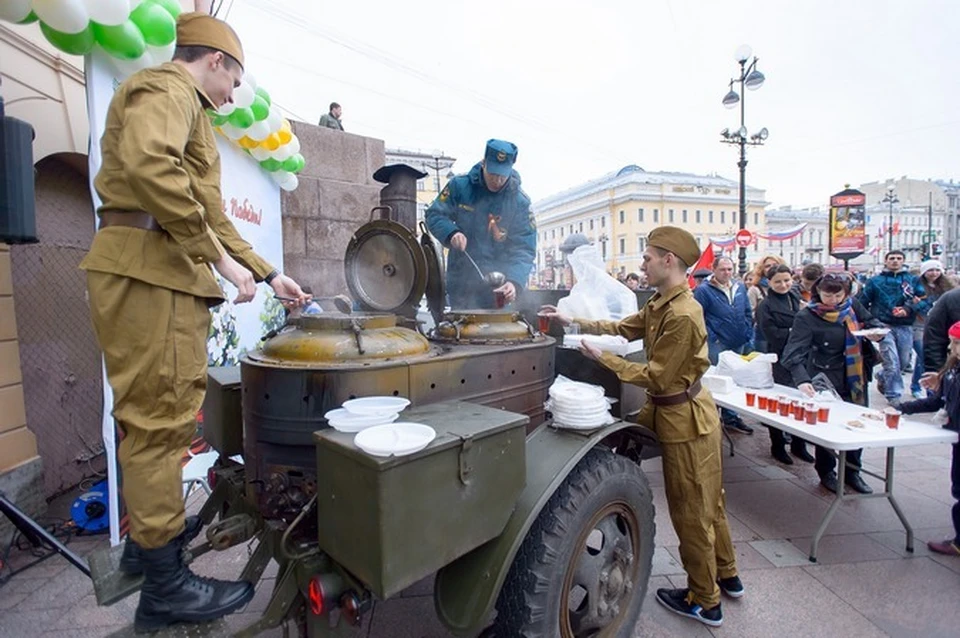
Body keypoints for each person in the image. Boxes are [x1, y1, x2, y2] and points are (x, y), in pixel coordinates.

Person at [79, 13, 309, 633]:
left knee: (164, 420)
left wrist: (264, 273)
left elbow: (210, 213)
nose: (234, 95)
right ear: (214, 61)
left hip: (163, 275)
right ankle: (165, 590)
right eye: (233, 78)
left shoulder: (189, 109)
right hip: (150, 273)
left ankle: (155, 557)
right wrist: (218, 263)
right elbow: (154, 170)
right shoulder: (165, 90)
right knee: (157, 426)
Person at [540, 227, 742, 628]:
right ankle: (728, 574)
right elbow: (625, 328)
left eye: (648, 257)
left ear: (669, 260)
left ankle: (705, 600)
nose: (642, 263)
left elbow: (659, 376)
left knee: (693, 508)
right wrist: (571, 320)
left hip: (684, 416)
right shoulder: (662, 302)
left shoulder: (683, 313)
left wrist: (603, 359)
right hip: (671, 408)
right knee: (708, 501)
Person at [781, 273, 884, 494]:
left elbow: (872, 322)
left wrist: (876, 334)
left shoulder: (852, 305)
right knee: (829, 426)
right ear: (819, 292)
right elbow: (792, 353)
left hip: (856, 375)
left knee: (857, 425)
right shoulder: (807, 316)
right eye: (828, 295)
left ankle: (853, 472)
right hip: (825, 376)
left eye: (838, 294)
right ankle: (826, 471)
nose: (833, 300)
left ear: (846, 293)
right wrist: (802, 380)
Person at [425, 139, 536, 309]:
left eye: (502, 175)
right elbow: (434, 214)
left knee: (499, 333)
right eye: (493, 174)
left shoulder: (520, 202)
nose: (497, 180)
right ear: (484, 163)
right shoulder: (460, 186)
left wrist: (514, 282)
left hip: (500, 287)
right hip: (462, 283)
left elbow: (524, 248)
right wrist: (451, 233)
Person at [900, 320, 960, 557]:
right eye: (953, 342)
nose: (952, 348)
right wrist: (901, 407)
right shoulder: (952, 370)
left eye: (957, 343)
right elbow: (937, 401)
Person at [756, 264, 814, 465]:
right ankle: (778, 444)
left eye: (787, 280)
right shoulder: (766, 305)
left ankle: (799, 444)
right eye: (778, 281)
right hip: (779, 356)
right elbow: (770, 332)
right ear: (769, 283)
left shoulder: (796, 299)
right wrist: (795, 333)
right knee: (780, 400)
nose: (783, 285)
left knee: (801, 400)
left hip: (801, 356)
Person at [693, 256, 754, 434]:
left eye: (729, 269)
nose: (727, 273)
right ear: (714, 269)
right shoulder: (704, 290)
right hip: (718, 343)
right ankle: (714, 416)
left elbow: (747, 312)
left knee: (735, 378)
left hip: (738, 341)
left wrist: (747, 331)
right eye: (723, 269)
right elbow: (698, 317)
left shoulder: (739, 287)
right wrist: (713, 337)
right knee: (718, 380)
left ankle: (731, 417)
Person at [858, 250, 920, 405]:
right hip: (883, 324)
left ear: (903, 261)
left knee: (904, 361)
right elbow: (864, 301)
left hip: (905, 324)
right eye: (892, 258)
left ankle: (882, 376)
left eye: (899, 258)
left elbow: (919, 299)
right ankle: (894, 395)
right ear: (886, 261)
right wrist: (865, 322)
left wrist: (907, 309)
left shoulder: (911, 280)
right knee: (891, 361)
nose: (895, 261)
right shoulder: (875, 281)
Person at [907, 260, 955, 398]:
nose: (934, 273)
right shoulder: (915, 286)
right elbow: (910, 305)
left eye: (937, 270)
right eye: (930, 270)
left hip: (939, 327)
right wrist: (919, 304)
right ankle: (927, 390)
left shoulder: (948, 288)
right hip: (919, 325)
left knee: (926, 358)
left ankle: (925, 387)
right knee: (923, 355)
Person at [748, 255, 786, 353]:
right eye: (767, 266)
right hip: (763, 334)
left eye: (775, 264)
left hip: (783, 333)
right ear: (762, 269)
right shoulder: (755, 289)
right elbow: (750, 311)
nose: (771, 268)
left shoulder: (787, 287)